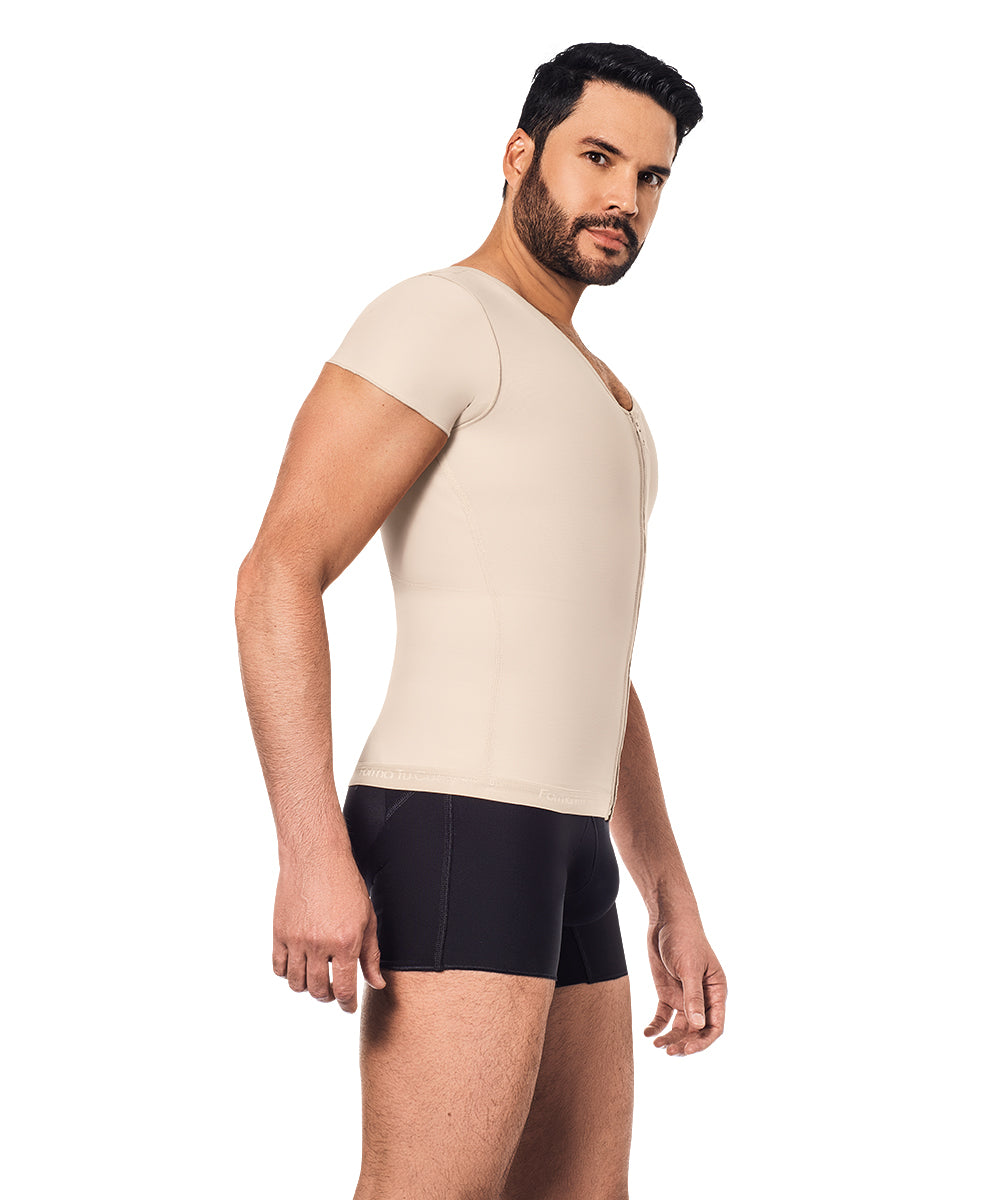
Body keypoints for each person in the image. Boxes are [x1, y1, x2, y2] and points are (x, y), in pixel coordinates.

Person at [235, 41, 727, 1200]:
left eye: (651, 177)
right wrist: (310, 851)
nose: (624, 197)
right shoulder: (441, 318)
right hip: (458, 822)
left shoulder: (601, 389)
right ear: (519, 155)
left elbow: (595, 669)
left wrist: (666, 889)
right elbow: (278, 572)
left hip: (568, 845)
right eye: (596, 157)